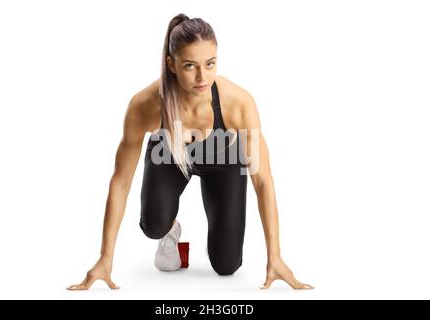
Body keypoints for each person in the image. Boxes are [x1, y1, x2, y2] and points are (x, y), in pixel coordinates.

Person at [67, 13, 313, 291]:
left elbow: (263, 180)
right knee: (153, 225)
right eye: (189, 66)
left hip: (224, 160)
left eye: (210, 64)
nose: (202, 77)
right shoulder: (145, 105)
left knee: (227, 265)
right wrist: (105, 257)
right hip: (169, 154)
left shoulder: (238, 104)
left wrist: (275, 256)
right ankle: (170, 231)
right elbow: (121, 180)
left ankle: (220, 247)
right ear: (171, 64)